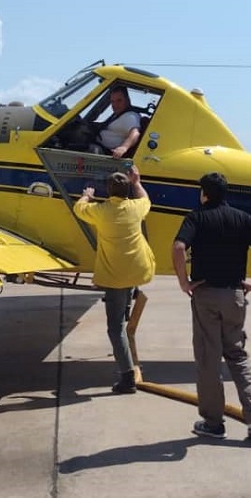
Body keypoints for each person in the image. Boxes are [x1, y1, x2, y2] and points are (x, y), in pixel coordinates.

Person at [172, 172, 251, 440]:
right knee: (238, 355)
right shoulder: (242, 218)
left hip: (206, 294)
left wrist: (184, 282)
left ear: (204, 193)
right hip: (234, 295)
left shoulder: (196, 217)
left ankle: (214, 423)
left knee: (209, 359)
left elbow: (179, 248)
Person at [73, 165, 156, 394]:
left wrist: (87, 196)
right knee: (125, 297)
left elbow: (79, 209)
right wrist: (138, 182)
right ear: (127, 189)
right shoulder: (136, 208)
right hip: (137, 270)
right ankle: (128, 302)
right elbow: (145, 199)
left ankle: (127, 377)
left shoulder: (101, 211)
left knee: (114, 328)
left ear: (108, 191)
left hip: (116, 276)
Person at [91, 86, 142, 158]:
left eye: (119, 100)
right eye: (112, 101)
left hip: (106, 153)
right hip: (99, 146)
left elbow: (135, 133)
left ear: (127, 100)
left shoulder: (130, 116)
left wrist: (123, 148)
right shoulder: (118, 115)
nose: (115, 105)